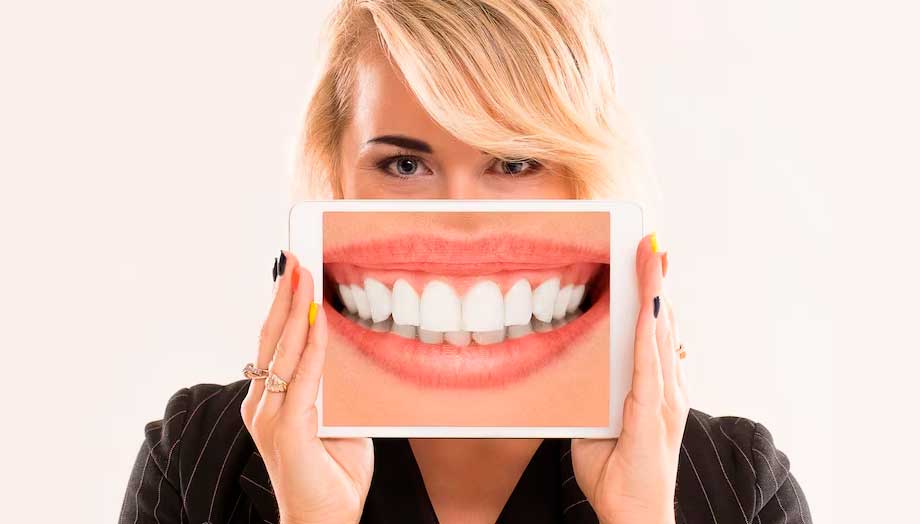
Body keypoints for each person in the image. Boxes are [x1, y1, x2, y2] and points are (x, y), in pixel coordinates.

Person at [118, 1, 813, 522]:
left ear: (584, 178)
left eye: (513, 161)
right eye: (404, 162)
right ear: (335, 177)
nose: (459, 221)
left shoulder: (739, 487)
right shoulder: (194, 462)